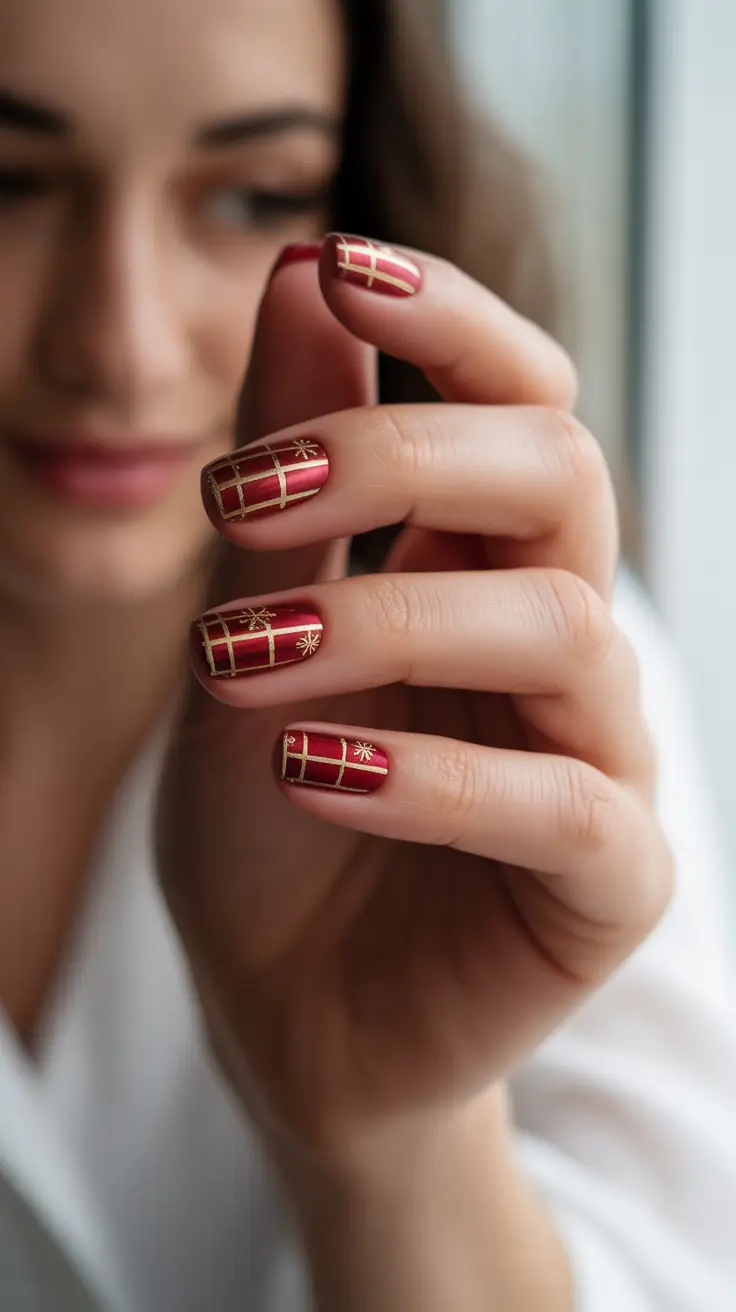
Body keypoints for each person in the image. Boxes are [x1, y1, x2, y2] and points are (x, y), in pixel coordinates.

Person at [0, 0, 733, 1309]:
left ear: (368, 200)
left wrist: (389, 1150)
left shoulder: (528, 660)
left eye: (250, 198)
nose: (119, 345)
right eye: (9, 186)